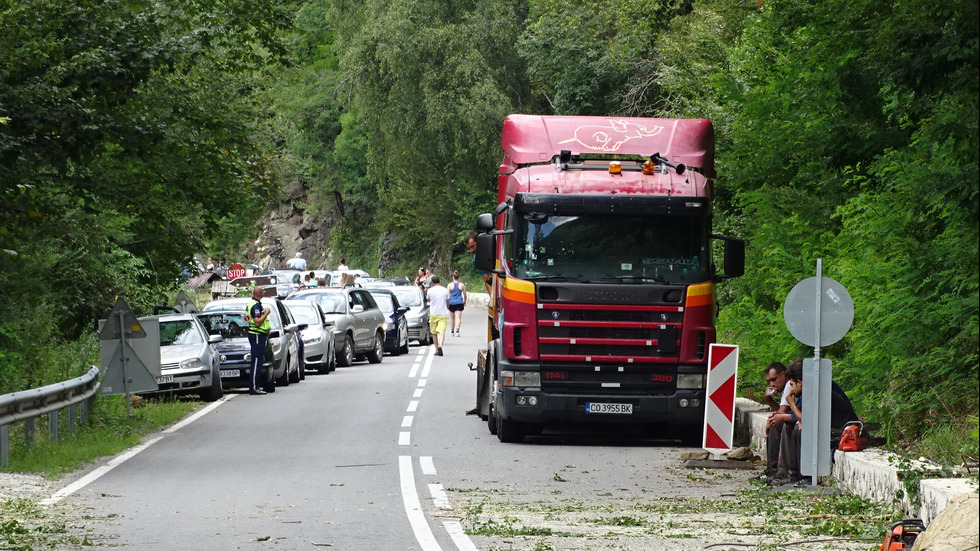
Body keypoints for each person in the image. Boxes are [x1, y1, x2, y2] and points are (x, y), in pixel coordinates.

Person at [770, 360, 859, 487]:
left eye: (792, 385)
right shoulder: (811, 389)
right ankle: (794, 476)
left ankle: (807, 477)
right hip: (830, 427)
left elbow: (805, 420)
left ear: (799, 383)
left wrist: (791, 403)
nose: (791, 389)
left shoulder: (818, 391)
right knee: (795, 428)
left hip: (841, 431)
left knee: (803, 431)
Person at [751, 362, 792, 483]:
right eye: (769, 381)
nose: (772, 384)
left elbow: (780, 413)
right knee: (775, 423)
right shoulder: (787, 387)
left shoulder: (790, 384)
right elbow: (780, 411)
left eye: (774, 379)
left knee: (775, 425)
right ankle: (772, 468)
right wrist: (769, 399)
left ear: (784, 374)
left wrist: (773, 419)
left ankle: (773, 469)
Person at [245, 285, 272, 395]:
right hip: (256, 335)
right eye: (262, 292)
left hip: (258, 334)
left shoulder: (252, 303)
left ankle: (255, 386)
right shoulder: (256, 306)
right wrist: (266, 313)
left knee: (258, 361)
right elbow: (257, 322)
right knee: (256, 362)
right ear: (260, 294)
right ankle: (254, 387)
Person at [427, 275, 449, 356]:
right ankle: (440, 345)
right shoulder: (445, 290)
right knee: (442, 332)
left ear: (432, 282)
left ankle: (436, 350)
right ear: (439, 281)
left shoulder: (430, 291)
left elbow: (428, 299)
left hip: (433, 313)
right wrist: (447, 308)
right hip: (443, 313)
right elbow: (447, 301)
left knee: (434, 333)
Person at [447, 271, 466, 336]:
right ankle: (457, 331)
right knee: (458, 317)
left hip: (451, 302)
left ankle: (452, 331)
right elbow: (465, 294)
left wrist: (447, 303)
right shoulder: (462, 285)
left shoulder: (450, 285)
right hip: (459, 302)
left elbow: (447, 295)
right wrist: (465, 301)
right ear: (458, 277)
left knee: (452, 318)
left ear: (453, 277)